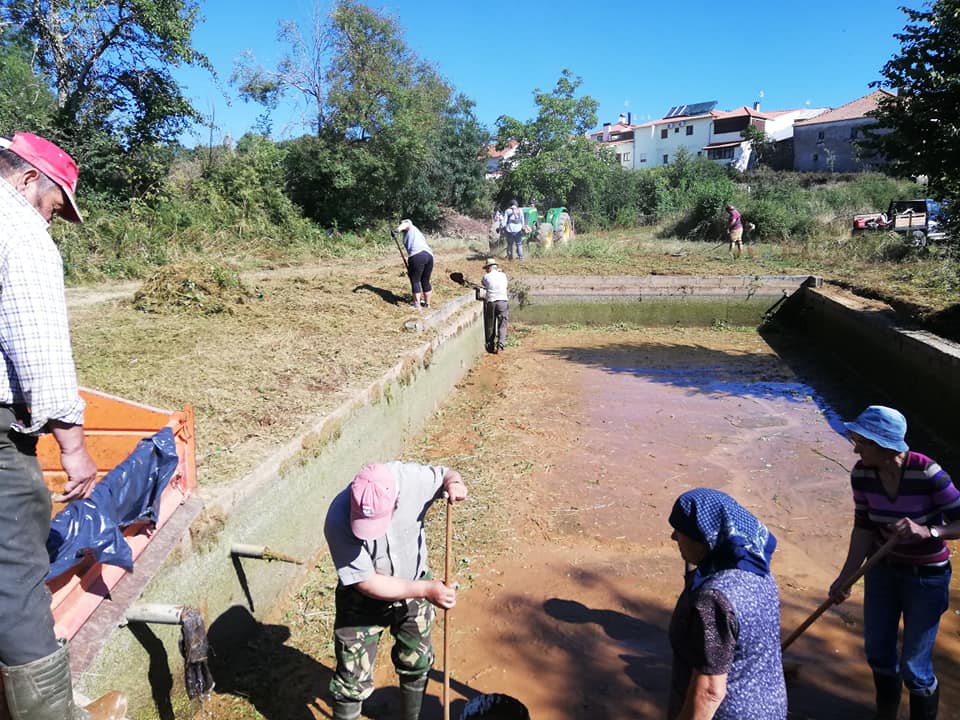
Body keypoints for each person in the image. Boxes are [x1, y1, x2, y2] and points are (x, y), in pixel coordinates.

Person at [0, 132, 127, 719]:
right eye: (54, 206)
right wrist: (73, 447)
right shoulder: (19, 231)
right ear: (27, 179)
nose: (51, 221)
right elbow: (40, 351)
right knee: (15, 570)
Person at [828, 406, 960, 720]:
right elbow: (863, 528)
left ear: (886, 445)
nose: (856, 448)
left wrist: (928, 531)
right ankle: (885, 714)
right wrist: (845, 579)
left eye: (862, 442)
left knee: (916, 668)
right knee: (878, 654)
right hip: (883, 572)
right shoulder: (862, 474)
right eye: (855, 440)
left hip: (926, 577)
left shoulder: (927, 472)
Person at [324, 462, 468, 720]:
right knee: (351, 680)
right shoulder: (337, 518)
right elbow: (367, 582)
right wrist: (426, 590)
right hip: (362, 602)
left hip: (414, 586)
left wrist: (454, 483)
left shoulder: (412, 481)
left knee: (417, 662)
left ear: (397, 499)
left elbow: (448, 474)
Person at [667, 488, 786, 720]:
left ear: (704, 536)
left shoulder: (714, 600)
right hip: (769, 704)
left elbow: (710, 691)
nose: (674, 537)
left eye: (680, 531)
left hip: (731, 712)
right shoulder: (757, 569)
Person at [393, 219, 434, 309]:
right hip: (429, 256)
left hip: (417, 255)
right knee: (425, 280)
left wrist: (397, 230)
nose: (401, 225)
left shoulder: (409, 226)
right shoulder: (416, 233)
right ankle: (427, 304)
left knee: (415, 280)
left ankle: (417, 305)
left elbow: (406, 224)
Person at [479, 258, 508, 354]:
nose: (486, 270)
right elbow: (505, 285)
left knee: (490, 324)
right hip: (502, 302)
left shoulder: (486, 277)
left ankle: (490, 346)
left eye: (486, 268)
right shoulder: (503, 275)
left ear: (489, 268)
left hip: (491, 302)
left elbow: (483, 284)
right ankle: (500, 346)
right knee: (502, 325)